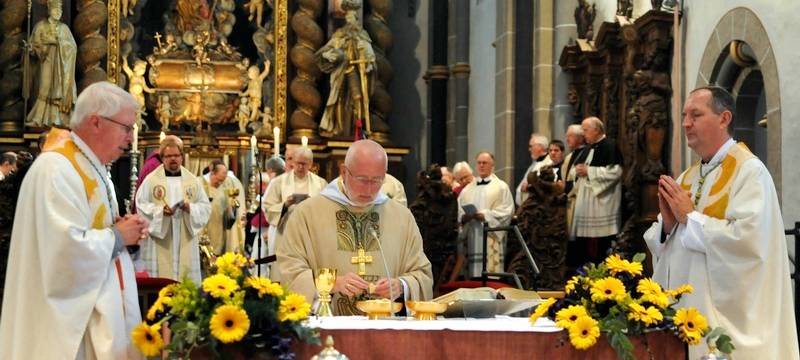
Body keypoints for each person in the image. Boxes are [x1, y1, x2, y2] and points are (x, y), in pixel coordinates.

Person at [643, 87, 798, 359]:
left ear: (724, 118)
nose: (686, 123)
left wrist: (689, 218)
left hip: (724, 318)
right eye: (684, 115)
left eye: (696, 115)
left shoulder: (750, 172)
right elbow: (664, 241)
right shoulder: (687, 177)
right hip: (685, 315)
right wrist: (667, 227)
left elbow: (748, 242)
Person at [0, 82, 148, 358]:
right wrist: (116, 237)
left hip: (94, 312)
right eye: (126, 128)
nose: (130, 138)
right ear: (96, 122)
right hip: (68, 329)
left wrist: (122, 229)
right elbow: (62, 253)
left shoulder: (89, 166)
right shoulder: (56, 169)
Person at [277, 139, 432, 315]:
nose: (369, 189)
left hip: (385, 329)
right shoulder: (307, 213)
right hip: (328, 329)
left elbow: (422, 274)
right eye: (362, 179)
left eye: (377, 180)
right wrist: (330, 284)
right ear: (344, 172)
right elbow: (289, 269)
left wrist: (401, 285)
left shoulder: (401, 217)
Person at [136, 135, 211, 283]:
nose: (173, 159)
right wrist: (160, 212)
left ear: (182, 157)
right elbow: (141, 204)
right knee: (162, 282)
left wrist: (190, 208)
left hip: (185, 236)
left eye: (176, 155)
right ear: (162, 158)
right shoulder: (151, 180)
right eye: (169, 156)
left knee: (185, 280)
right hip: (161, 237)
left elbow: (205, 206)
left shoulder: (192, 181)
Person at [263, 146, 327, 279]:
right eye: (298, 163)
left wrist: (312, 205)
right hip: (285, 232)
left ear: (310, 164)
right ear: (293, 162)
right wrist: (285, 204)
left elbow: (326, 209)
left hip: (310, 236)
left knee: (307, 274)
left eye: (304, 164)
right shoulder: (278, 182)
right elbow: (268, 207)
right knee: (284, 275)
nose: (300, 167)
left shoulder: (320, 183)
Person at [315, 1, 376, 138]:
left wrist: (369, 64)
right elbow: (326, 50)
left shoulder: (362, 35)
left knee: (358, 98)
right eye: (347, 18)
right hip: (343, 71)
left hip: (356, 71)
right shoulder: (340, 34)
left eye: (352, 18)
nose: (349, 21)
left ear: (356, 19)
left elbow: (369, 53)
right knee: (339, 100)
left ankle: (357, 129)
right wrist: (328, 55)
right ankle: (339, 128)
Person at [567, 117, 622, 264]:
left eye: (585, 130)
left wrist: (589, 171)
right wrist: (577, 171)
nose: (583, 134)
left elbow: (615, 172)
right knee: (585, 246)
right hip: (586, 202)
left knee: (601, 244)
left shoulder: (610, 146)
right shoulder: (587, 149)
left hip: (601, 203)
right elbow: (574, 172)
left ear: (596, 130)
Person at [457, 152, 514, 278]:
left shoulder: (501, 187)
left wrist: (487, 216)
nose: (481, 166)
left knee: (490, 275)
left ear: (492, 165)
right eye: (479, 163)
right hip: (473, 235)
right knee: (473, 278)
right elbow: (460, 211)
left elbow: (507, 210)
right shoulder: (467, 189)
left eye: (485, 163)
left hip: (490, 235)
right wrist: (464, 217)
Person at [26, 0, 77, 127]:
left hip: (61, 66)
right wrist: (31, 49)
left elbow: (73, 47)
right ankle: (38, 119)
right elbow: (34, 45)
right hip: (46, 63)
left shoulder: (64, 28)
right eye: (55, 9)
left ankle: (58, 119)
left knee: (59, 90)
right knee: (44, 88)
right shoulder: (40, 26)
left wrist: (57, 42)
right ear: (49, 10)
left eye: (60, 10)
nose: (58, 12)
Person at [203, 160, 237, 255]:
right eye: (218, 180)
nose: (220, 183)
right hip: (202, 233)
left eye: (223, 180)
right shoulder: (199, 183)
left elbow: (228, 214)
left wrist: (231, 208)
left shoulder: (223, 189)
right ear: (212, 173)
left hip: (218, 232)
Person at [516, 133, 550, 205]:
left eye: (531, 146)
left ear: (540, 147)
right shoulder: (533, 165)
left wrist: (529, 187)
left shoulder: (550, 163)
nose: (529, 149)